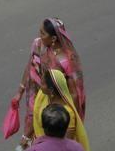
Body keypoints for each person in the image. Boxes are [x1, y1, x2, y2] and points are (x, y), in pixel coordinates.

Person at [13, 18, 86, 149]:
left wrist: (71, 119)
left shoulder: (67, 59)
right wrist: (19, 92)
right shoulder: (38, 45)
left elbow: (74, 93)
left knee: (53, 137)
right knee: (36, 122)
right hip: (39, 98)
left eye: (43, 34)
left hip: (58, 104)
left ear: (53, 38)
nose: (39, 36)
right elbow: (31, 66)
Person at [28, 69, 90, 151]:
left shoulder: (67, 113)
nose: (40, 86)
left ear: (51, 90)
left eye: (43, 84)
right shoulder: (43, 98)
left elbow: (63, 144)